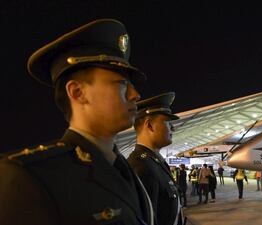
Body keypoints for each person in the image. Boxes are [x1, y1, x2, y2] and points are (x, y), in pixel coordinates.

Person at [0, 19, 154, 225]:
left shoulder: (121, 167)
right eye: (122, 84)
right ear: (77, 92)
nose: (135, 95)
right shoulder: (31, 178)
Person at [127, 92, 183, 225]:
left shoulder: (155, 162)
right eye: (168, 123)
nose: (172, 129)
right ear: (149, 125)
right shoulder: (141, 166)